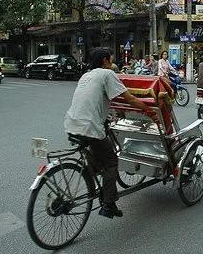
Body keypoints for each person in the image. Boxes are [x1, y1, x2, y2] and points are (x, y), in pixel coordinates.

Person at [63, 48, 158, 219]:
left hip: (72, 124)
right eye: (111, 59)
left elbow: (96, 100)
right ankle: (108, 204)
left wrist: (113, 115)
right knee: (111, 162)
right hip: (89, 127)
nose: (112, 62)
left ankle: (92, 175)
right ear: (105, 60)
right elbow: (128, 98)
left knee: (97, 154)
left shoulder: (86, 76)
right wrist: (148, 110)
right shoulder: (107, 74)